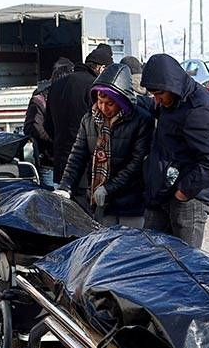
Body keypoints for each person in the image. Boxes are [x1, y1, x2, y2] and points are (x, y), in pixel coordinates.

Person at [54, 63, 153, 227]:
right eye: (100, 101)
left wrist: (109, 188)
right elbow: (77, 155)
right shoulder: (89, 120)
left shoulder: (141, 120)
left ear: (122, 100)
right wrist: (66, 187)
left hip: (132, 203)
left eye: (110, 103)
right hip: (101, 204)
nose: (103, 107)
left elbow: (136, 163)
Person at [140, 53, 209, 248]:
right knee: (151, 259)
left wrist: (183, 192)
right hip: (162, 193)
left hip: (188, 199)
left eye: (160, 95)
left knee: (185, 265)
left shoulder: (200, 108)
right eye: (154, 96)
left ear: (171, 86)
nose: (157, 101)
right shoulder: (171, 100)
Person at [46, 45, 113, 185]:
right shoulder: (95, 87)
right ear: (101, 68)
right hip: (87, 169)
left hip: (61, 167)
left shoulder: (56, 85)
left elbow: (48, 126)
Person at [24, 58, 74, 187]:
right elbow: (32, 128)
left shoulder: (71, 97)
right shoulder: (40, 99)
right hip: (50, 164)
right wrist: (56, 140)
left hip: (72, 165)